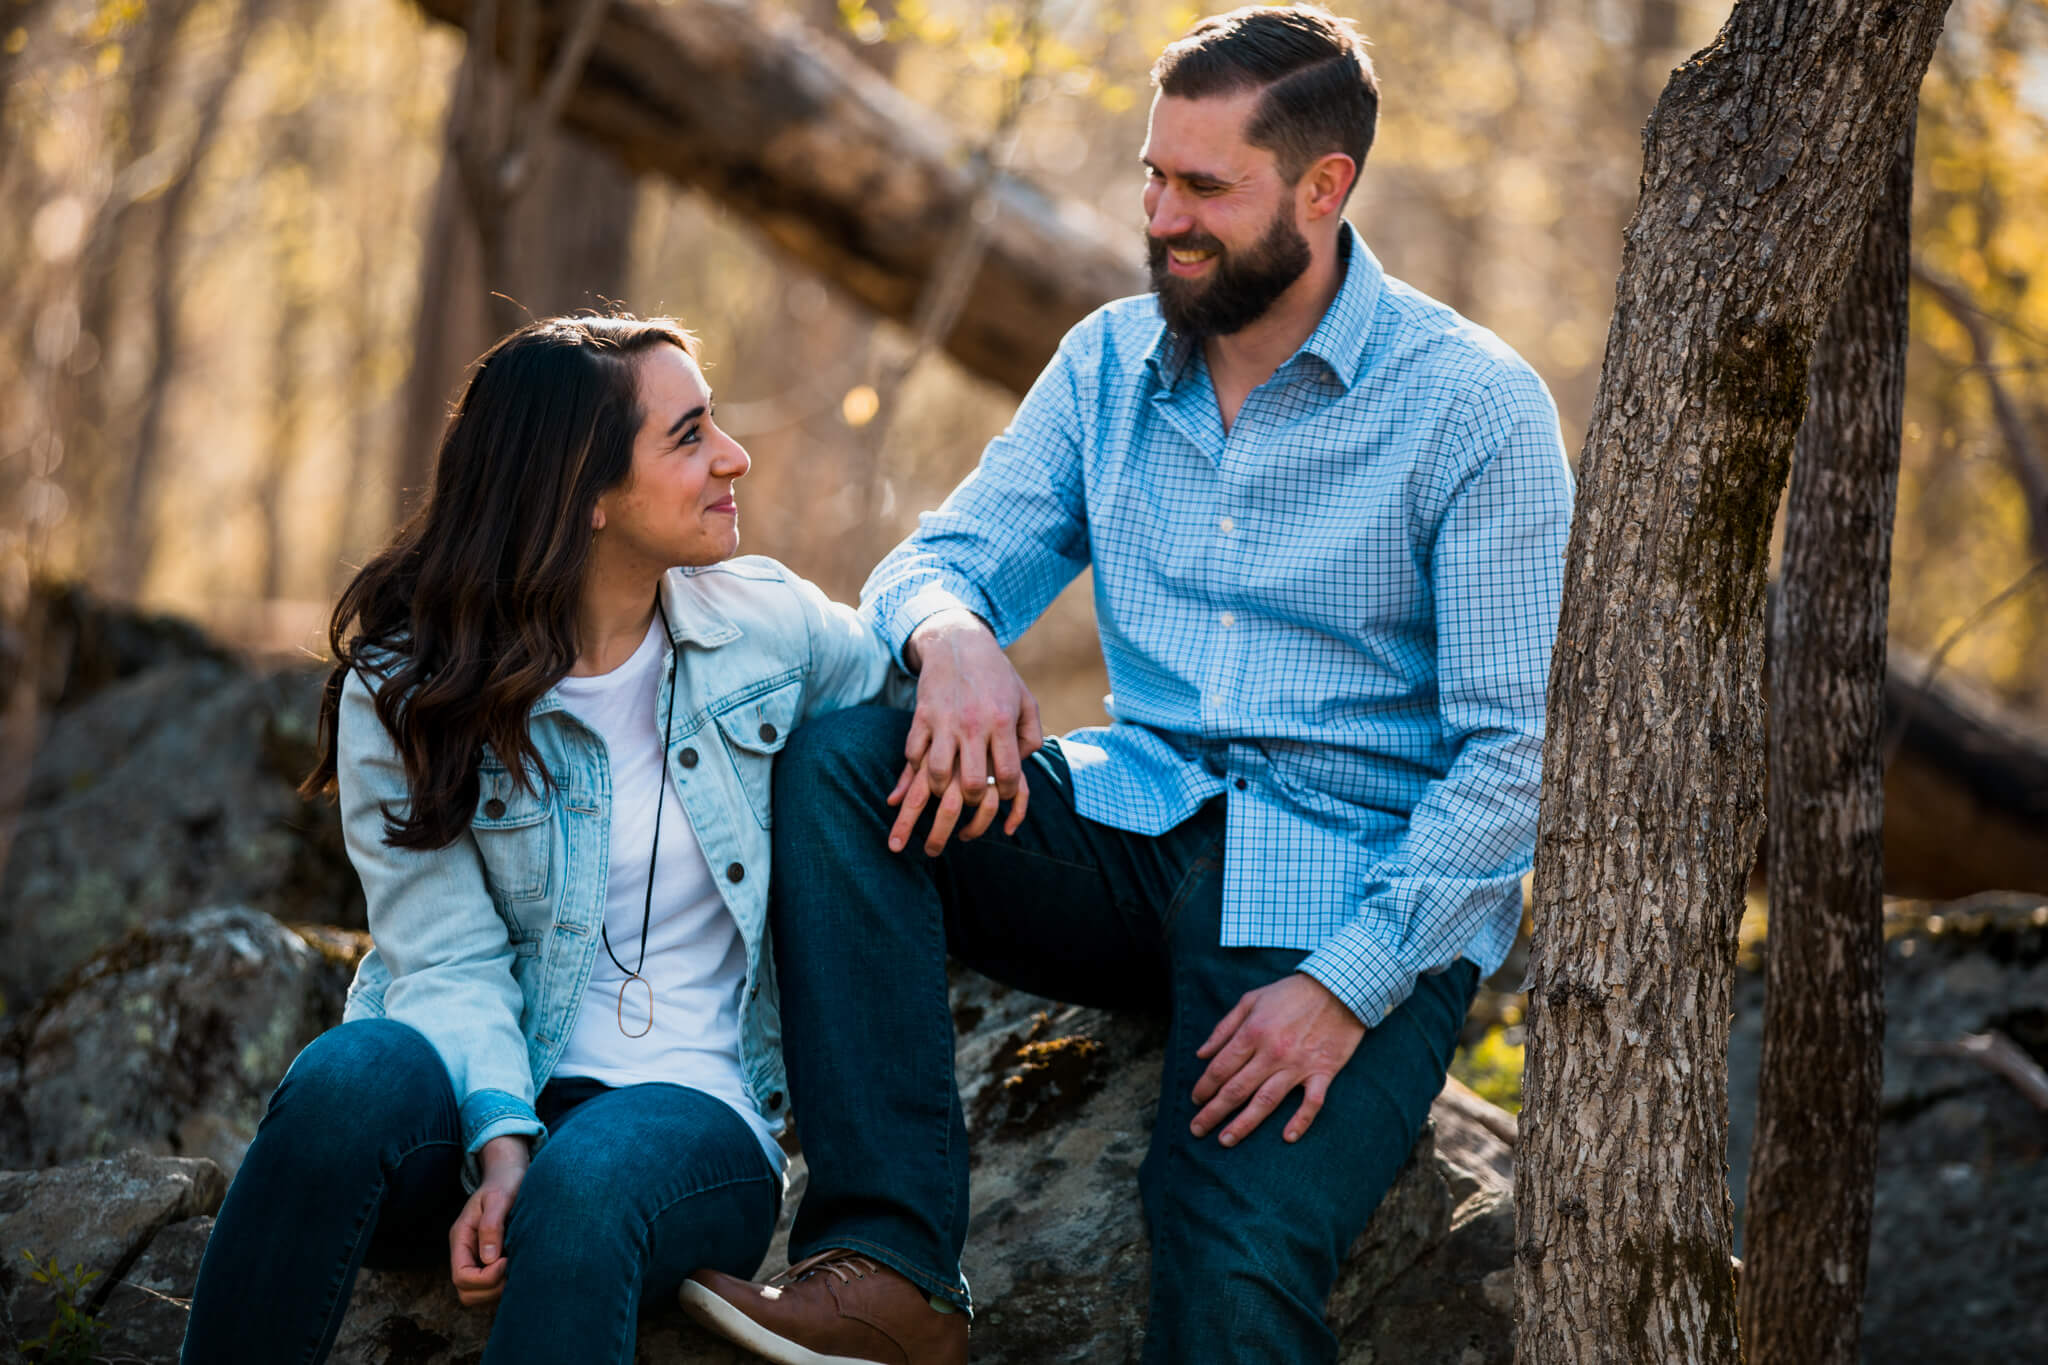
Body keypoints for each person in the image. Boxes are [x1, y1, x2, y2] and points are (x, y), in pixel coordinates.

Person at [678, 6, 1576, 1364]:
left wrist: (1345, 987)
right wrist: (955, 637)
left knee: (1226, 1265)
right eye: (1153, 176)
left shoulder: (1474, 408)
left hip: (1338, 883)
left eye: (1207, 187)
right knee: (847, 764)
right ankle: (889, 1269)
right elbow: (934, 564)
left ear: (1325, 189)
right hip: (1134, 826)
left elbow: (1514, 756)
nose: (1163, 217)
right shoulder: (1107, 365)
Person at [180, 314, 937, 1364]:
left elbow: (914, 698)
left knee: (585, 1188)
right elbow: (440, 952)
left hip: (691, 1116)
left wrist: (955, 646)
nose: (735, 457)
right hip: (475, 1086)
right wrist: (499, 1143)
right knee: (343, 1082)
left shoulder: (765, 630)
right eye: (688, 436)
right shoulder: (406, 692)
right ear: (582, 496)